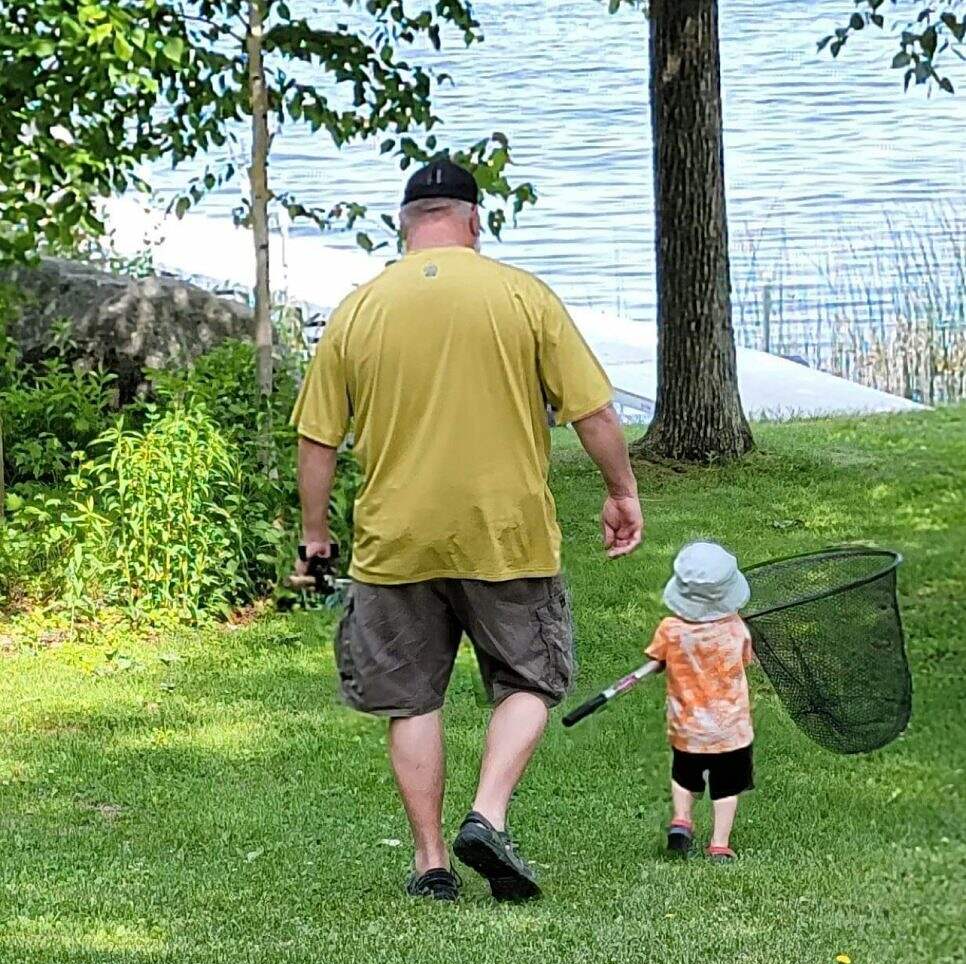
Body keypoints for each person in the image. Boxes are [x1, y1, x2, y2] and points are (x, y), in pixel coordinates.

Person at [291, 159, 643, 902]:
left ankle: (429, 865)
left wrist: (315, 536)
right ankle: (486, 813)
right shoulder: (522, 295)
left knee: (412, 699)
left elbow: (317, 438)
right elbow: (595, 413)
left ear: (405, 223)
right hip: (504, 532)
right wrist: (621, 491)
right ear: (475, 220)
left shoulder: (360, 308)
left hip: (396, 540)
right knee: (529, 678)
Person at [644, 541, 754, 862]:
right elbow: (745, 660)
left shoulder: (670, 630)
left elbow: (657, 659)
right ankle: (719, 844)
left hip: (686, 728)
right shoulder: (737, 630)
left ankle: (682, 820)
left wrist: (659, 662)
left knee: (684, 778)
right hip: (729, 732)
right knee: (726, 789)